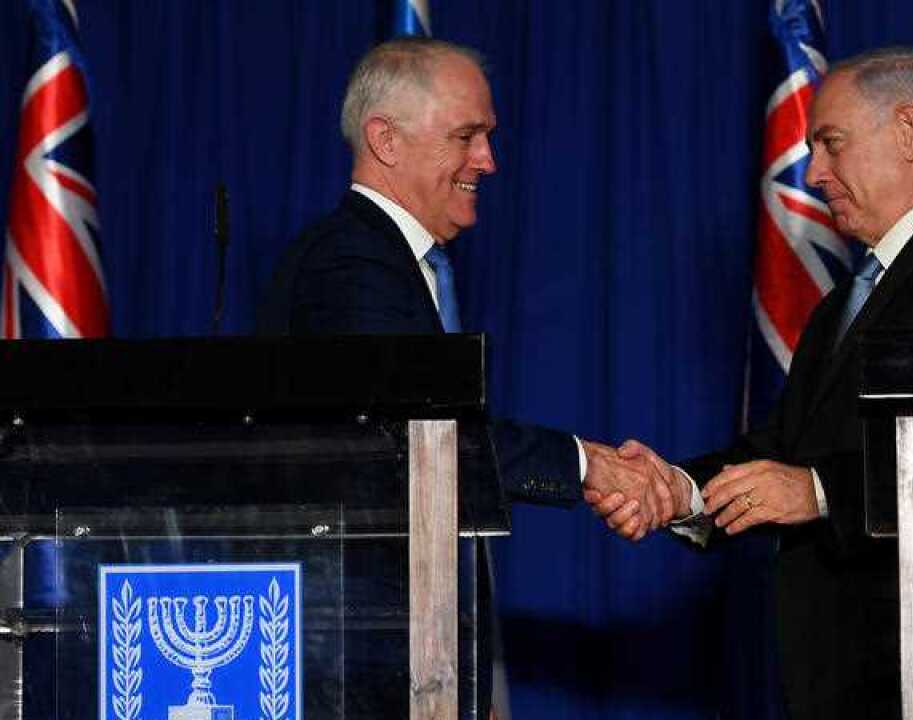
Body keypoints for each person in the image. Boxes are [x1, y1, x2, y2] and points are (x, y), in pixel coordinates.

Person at [586, 47, 913, 719]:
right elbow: (783, 448)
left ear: (907, 131)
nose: (813, 174)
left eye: (830, 144)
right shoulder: (846, 300)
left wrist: (819, 491)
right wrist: (680, 491)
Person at [260, 38, 675, 719]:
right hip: (360, 653)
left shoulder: (393, 261)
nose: (488, 160)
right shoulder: (351, 267)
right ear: (385, 140)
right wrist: (590, 466)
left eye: (486, 136)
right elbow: (417, 437)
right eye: (466, 136)